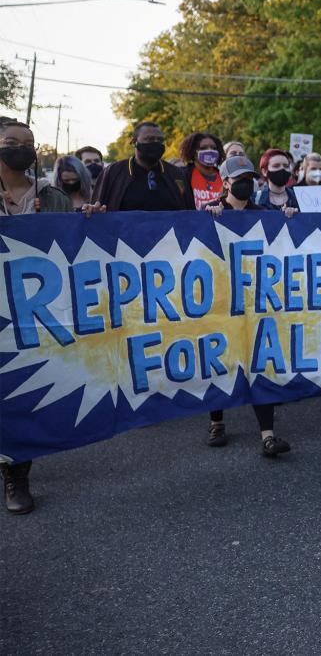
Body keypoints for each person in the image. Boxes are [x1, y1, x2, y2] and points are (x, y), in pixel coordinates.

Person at [1, 118, 98, 515]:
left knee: (17, 389)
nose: (22, 148)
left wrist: (93, 220)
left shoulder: (52, 196)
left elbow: (73, 244)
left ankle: (15, 474)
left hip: (25, 312)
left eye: (29, 143)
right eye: (11, 142)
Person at [204, 155, 293, 456]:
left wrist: (290, 218)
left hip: (256, 300)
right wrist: (209, 216)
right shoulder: (212, 212)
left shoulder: (263, 213)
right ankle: (217, 421)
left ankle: (268, 434)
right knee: (221, 359)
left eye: (250, 178)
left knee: (259, 362)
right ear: (225, 182)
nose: (246, 183)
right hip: (221, 300)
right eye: (238, 178)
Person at [91, 121, 189, 211]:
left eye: (160, 140)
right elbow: (97, 208)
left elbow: (189, 212)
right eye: (149, 139)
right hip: (125, 230)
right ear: (134, 142)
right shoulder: (113, 172)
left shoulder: (176, 174)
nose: (155, 142)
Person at [179, 131, 225, 210]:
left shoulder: (224, 176)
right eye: (203, 148)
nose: (210, 151)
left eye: (214, 148)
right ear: (193, 151)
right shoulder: (182, 175)